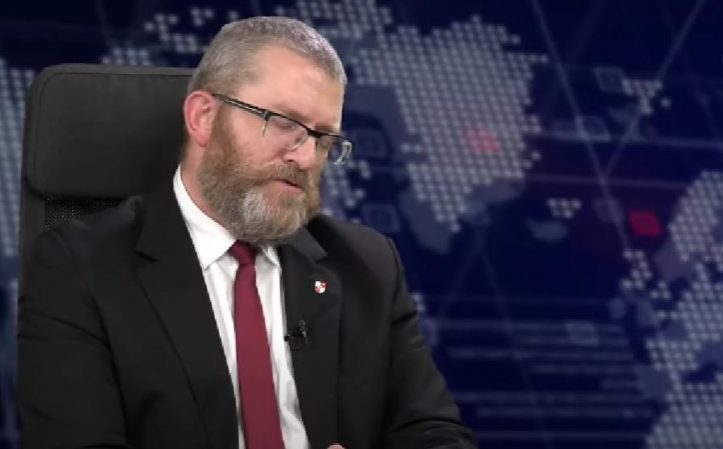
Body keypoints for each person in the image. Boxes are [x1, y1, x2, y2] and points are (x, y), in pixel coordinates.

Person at [18, 16, 476, 449]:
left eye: (323, 139)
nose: (306, 158)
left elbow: (435, 432)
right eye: (285, 124)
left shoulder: (366, 265)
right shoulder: (79, 269)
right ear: (203, 117)